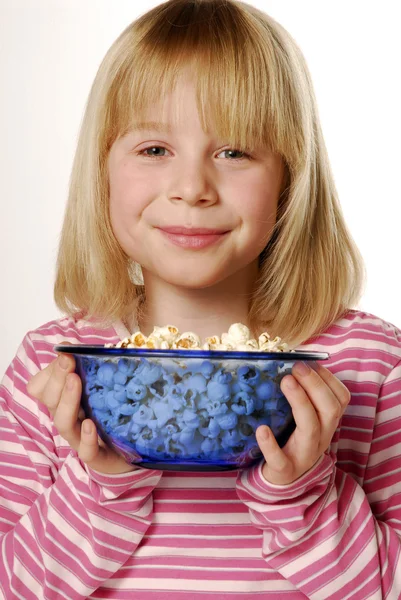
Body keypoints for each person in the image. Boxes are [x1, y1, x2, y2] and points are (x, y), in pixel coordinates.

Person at [1, 0, 400, 597]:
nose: (192, 189)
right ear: (102, 168)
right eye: (154, 149)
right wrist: (100, 483)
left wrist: (303, 491)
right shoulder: (52, 369)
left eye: (234, 151)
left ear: (290, 177)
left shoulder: (370, 364)